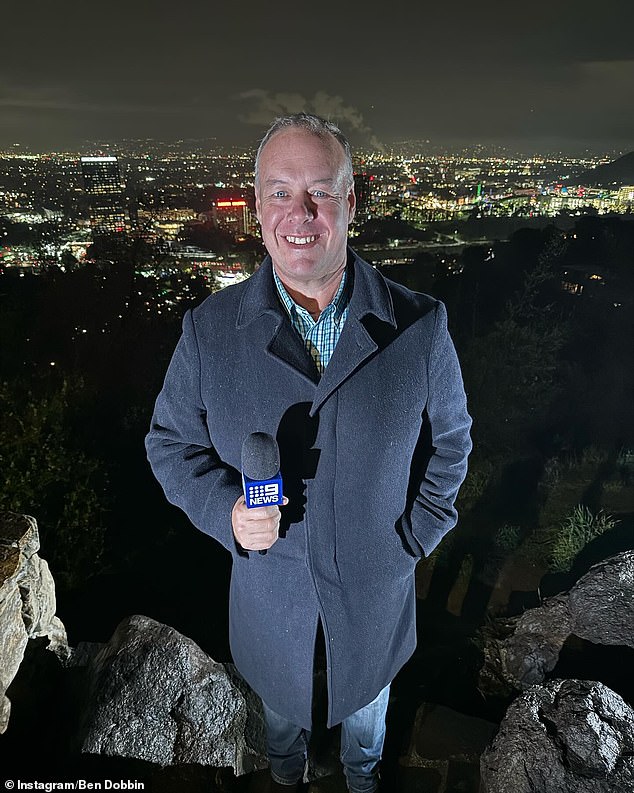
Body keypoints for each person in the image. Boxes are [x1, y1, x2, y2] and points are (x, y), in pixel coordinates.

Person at [145, 113, 472, 793]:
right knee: (282, 719)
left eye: (321, 192)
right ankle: (289, 775)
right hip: (269, 594)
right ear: (257, 205)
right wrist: (226, 512)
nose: (301, 213)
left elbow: (453, 440)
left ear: (351, 204)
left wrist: (414, 537)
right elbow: (169, 443)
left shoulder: (420, 324)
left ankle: (361, 778)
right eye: (280, 192)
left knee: (366, 717)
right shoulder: (208, 332)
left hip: (377, 587)